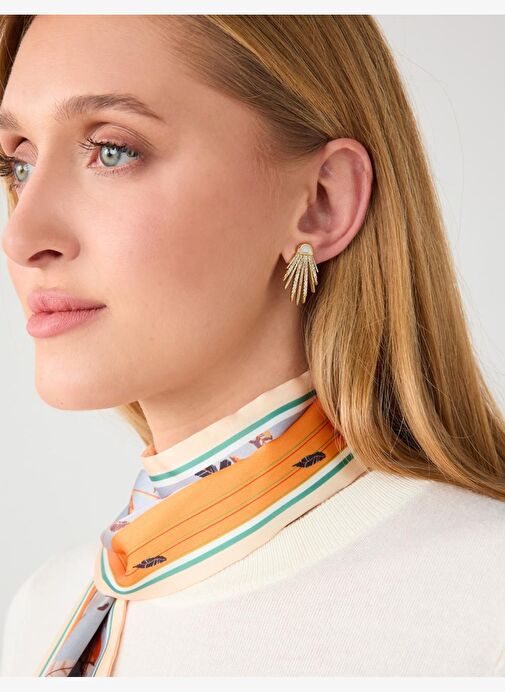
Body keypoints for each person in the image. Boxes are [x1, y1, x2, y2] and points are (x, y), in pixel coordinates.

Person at [0, 14, 503, 678]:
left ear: (320, 202)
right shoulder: (42, 611)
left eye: (113, 150)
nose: (21, 235)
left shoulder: (484, 605)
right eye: (18, 162)